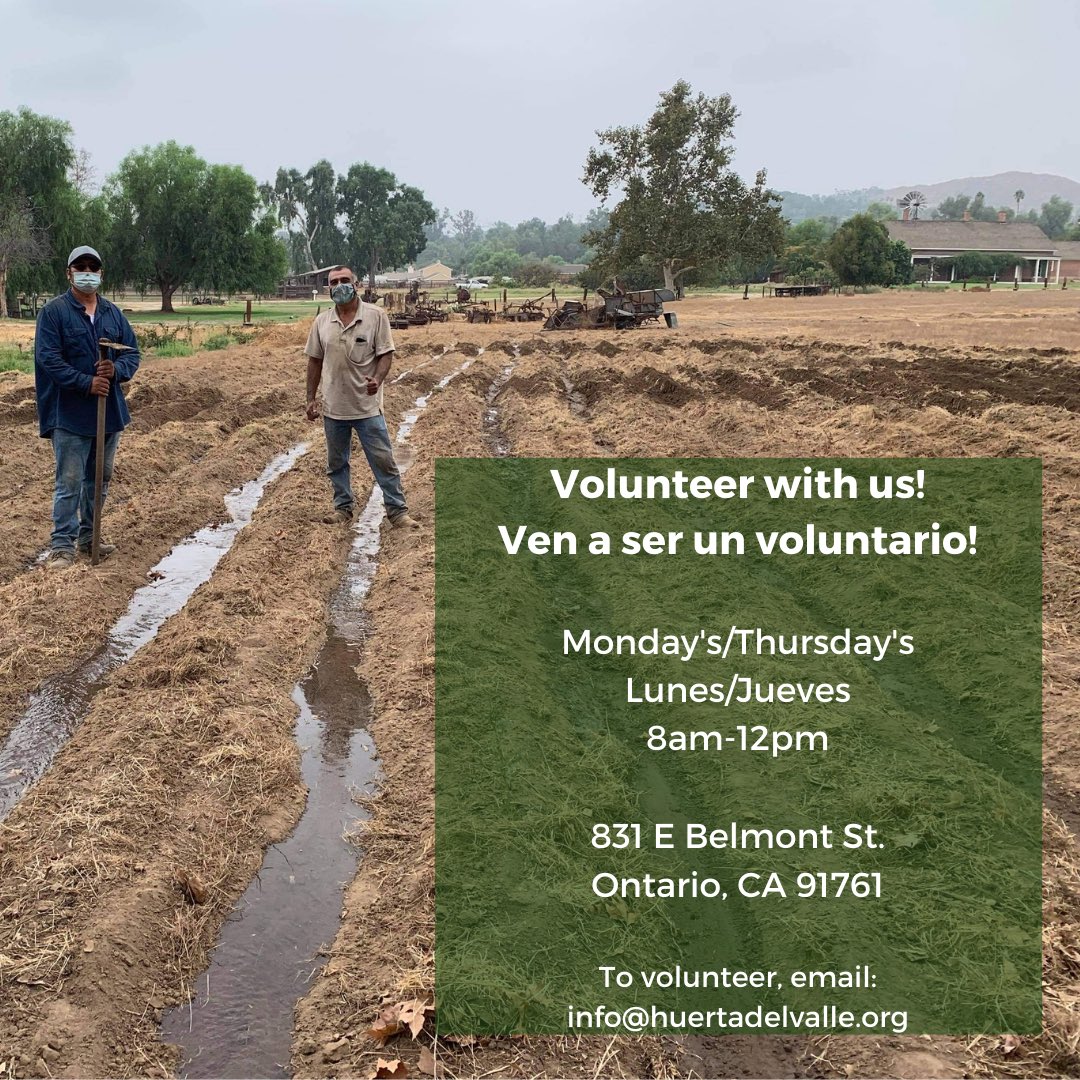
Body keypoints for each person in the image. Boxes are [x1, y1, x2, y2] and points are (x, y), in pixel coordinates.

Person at [34, 245, 140, 567]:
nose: (87, 273)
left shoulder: (112, 314)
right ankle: (62, 546)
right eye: (80, 267)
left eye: (93, 268)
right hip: (69, 414)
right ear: (69, 273)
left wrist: (116, 371)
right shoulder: (54, 313)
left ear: (101, 274)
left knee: (100, 479)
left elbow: (131, 353)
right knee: (69, 481)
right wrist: (86, 382)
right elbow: (48, 359)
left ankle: (89, 536)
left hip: (107, 414)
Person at [304, 265, 417, 529]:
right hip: (334, 407)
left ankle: (397, 512)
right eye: (334, 282)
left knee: (383, 460)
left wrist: (377, 379)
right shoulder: (322, 322)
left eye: (345, 280)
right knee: (336, 462)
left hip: (367, 407)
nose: (340, 285)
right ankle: (343, 508)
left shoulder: (376, 316)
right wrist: (310, 398)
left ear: (355, 285)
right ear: (328, 288)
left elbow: (386, 354)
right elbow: (314, 361)